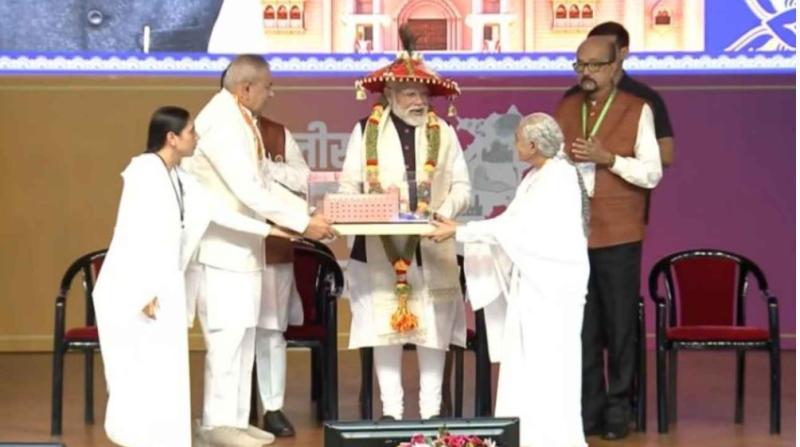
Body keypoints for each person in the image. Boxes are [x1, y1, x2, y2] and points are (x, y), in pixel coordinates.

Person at [93, 106, 295, 447]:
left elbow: (217, 213)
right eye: (191, 132)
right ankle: (137, 438)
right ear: (171, 138)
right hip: (136, 289)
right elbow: (133, 233)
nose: (196, 138)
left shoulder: (181, 177)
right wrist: (144, 291)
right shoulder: (144, 173)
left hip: (165, 285)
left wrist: (271, 230)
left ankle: (165, 438)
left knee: (165, 368)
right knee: (138, 368)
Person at [182, 54, 334, 447]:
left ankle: (234, 419)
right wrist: (304, 223)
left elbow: (263, 186)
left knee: (245, 338)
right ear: (245, 88)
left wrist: (306, 216)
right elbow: (249, 189)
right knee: (226, 341)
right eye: (268, 86)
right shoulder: (221, 121)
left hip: (244, 250)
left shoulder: (240, 119)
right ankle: (216, 424)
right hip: (220, 251)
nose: (272, 93)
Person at [426, 112, 590, 447]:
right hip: (532, 284)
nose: (514, 145)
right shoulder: (537, 176)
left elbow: (517, 230)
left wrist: (461, 231)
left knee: (551, 365)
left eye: (517, 140)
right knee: (528, 364)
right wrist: (464, 231)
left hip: (553, 288)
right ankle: (526, 436)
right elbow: (510, 224)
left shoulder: (558, 178)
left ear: (533, 144)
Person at [339, 28, 471, 420]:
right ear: (390, 94)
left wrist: (441, 212)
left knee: (433, 330)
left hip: (433, 243)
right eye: (411, 93)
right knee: (386, 331)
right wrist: (375, 206)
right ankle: (391, 415)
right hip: (380, 247)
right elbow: (348, 188)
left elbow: (463, 186)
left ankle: (431, 415)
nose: (420, 101)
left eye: (424, 94)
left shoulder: (444, 132)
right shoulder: (365, 131)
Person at [555, 37, 662, 440]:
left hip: (619, 235)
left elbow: (652, 173)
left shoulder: (638, 108)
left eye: (595, 65)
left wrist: (610, 160)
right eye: (579, 65)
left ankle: (619, 409)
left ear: (616, 66)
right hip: (573, 235)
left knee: (619, 327)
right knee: (581, 329)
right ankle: (589, 409)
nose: (586, 73)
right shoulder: (566, 107)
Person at [253, 110, 311, 437]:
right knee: (232, 334)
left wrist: (269, 167)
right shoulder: (215, 132)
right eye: (265, 88)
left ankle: (272, 408)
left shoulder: (276, 133)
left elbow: (304, 180)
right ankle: (231, 414)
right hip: (231, 247)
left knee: (271, 331)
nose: (269, 94)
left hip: (274, 246)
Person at [564, 21, 675, 167]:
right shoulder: (572, 98)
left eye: (607, 49)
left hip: (623, 180)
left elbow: (666, 155)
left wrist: (609, 158)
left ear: (623, 53)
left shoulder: (644, 98)